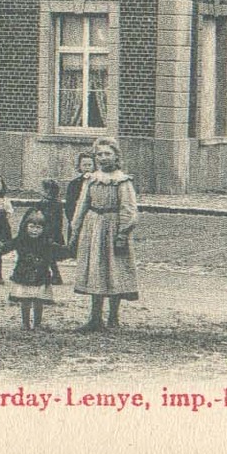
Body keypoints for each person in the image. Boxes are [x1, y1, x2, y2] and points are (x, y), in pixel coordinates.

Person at [67, 140, 140, 331]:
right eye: (99, 154)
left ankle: (113, 317)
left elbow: (129, 209)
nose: (103, 158)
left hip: (113, 226)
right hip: (93, 227)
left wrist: (123, 233)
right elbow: (82, 204)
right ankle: (95, 317)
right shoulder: (91, 179)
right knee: (96, 269)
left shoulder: (122, 180)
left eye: (107, 154)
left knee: (114, 269)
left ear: (116, 156)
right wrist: (75, 229)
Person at [5, 212, 63, 331]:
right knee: (25, 300)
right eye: (31, 226)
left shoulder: (47, 243)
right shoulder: (21, 240)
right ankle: (25, 323)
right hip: (23, 274)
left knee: (38, 300)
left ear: (44, 229)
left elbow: (55, 256)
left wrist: (69, 250)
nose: (34, 230)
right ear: (25, 227)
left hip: (40, 276)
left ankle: (37, 323)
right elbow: (9, 245)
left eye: (38, 227)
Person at [63, 151, 98, 234]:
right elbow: (69, 205)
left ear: (94, 166)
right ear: (79, 166)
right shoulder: (74, 184)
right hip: (77, 221)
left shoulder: (98, 183)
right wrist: (74, 221)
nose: (87, 168)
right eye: (84, 165)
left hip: (93, 222)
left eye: (89, 165)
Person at [32, 179, 65, 245]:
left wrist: (51, 237)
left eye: (42, 189)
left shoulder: (50, 203)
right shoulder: (50, 202)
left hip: (48, 236)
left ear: (47, 191)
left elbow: (54, 223)